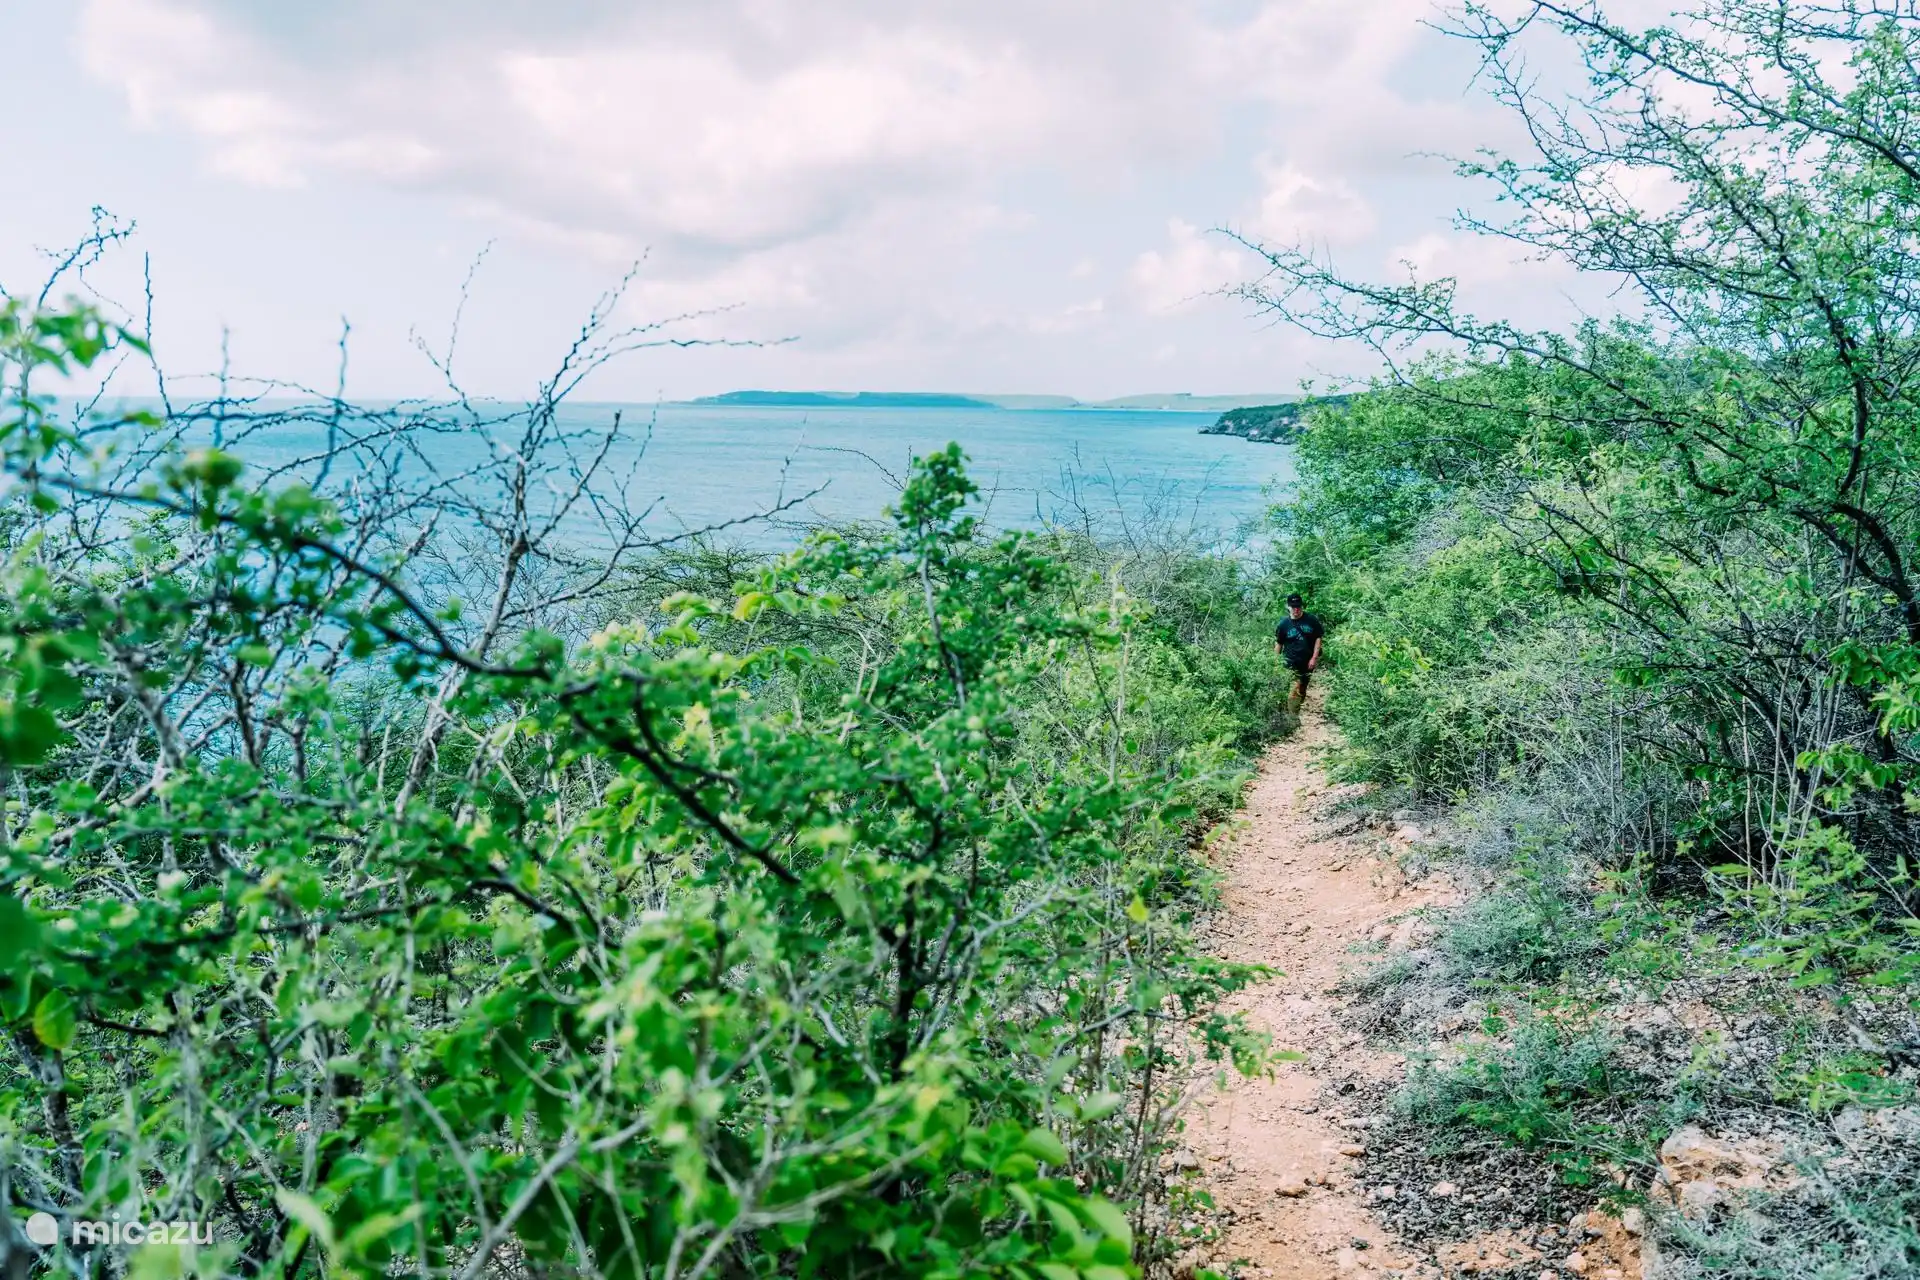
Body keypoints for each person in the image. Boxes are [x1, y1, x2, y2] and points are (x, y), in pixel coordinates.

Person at [1274, 593, 1324, 713]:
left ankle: (1295, 707)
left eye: (1298, 606)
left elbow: (1318, 638)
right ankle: (1293, 718)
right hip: (1290, 662)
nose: (1296, 609)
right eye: (1293, 607)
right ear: (1288, 607)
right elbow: (1279, 643)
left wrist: (1314, 658)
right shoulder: (1283, 624)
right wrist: (1275, 662)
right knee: (1294, 690)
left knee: (1302, 688)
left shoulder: (1311, 620)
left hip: (1307, 662)